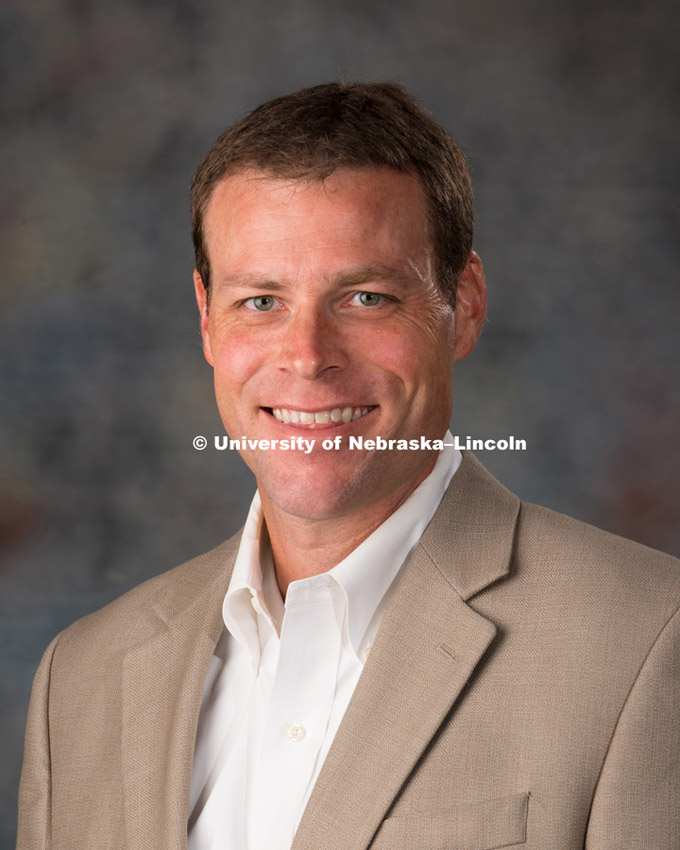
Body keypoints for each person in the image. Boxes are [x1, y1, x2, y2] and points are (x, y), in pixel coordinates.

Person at [16, 82, 680, 850]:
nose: (306, 357)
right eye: (261, 301)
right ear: (205, 319)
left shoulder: (645, 645)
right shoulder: (83, 679)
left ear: (462, 306)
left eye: (364, 297)